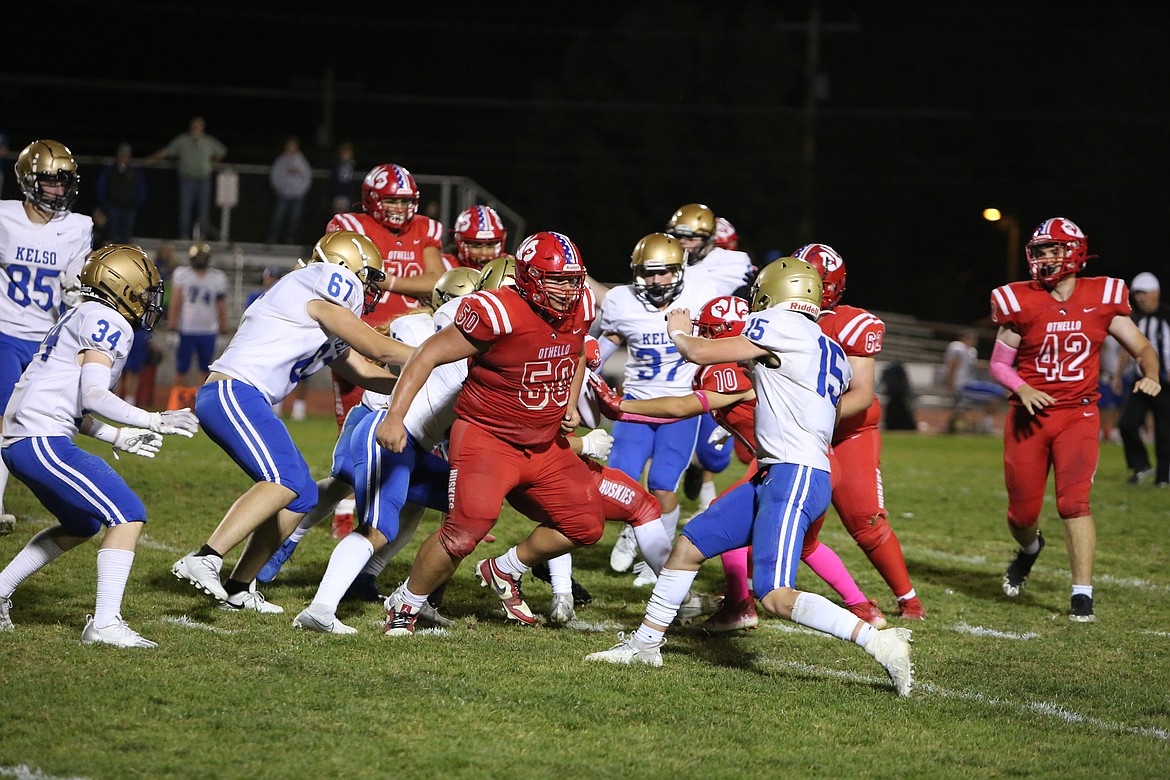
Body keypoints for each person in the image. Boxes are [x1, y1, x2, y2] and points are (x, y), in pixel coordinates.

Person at [585, 258, 914, 697]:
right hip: (784, 470)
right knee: (688, 547)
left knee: (775, 595)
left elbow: (698, 352)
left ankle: (881, 642)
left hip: (792, 473)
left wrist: (679, 329)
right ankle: (645, 645)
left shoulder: (781, 323)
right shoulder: (827, 346)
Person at [169, 231, 415, 612]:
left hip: (248, 398)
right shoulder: (325, 283)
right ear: (345, 268)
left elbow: (364, 371)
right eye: (367, 277)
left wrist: (416, 381)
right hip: (234, 391)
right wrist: (434, 357)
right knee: (284, 480)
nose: (368, 288)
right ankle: (205, 556)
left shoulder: (320, 310)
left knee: (304, 493)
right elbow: (377, 347)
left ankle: (238, 587)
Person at [376, 231, 601, 636]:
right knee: (464, 532)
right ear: (530, 277)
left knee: (585, 523)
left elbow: (578, 349)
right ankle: (405, 604)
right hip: (488, 438)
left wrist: (568, 399)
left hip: (543, 443)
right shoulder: (498, 310)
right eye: (558, 280)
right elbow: (427, 353)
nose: (569, 290)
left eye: (574, 279)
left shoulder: (581, 305)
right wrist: (395, 417)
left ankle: (505, 569)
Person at [0, 244, 198, 646]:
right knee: (128, 514)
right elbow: (92, 395)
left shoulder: (82, 313)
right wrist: (153, 419)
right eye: (144, 292)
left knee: (83, 523)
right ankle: (105, 623)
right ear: (121, 288)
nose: (148, 301)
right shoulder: (109, 320)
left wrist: (117, 435)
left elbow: (67, 403)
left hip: (26, 437)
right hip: (40, 439)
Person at [990, 217, 1160, 622]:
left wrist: (1151, 374)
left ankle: (1081, 594)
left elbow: (1141, 346)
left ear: (1076, 252)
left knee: (1074, 503)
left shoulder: (1103, 296)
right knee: (1021, 515)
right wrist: (1023, 388)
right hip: (1028, 417)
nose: (1045, 258)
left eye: (1054, 249)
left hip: (1078, 413)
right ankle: (1030, 549)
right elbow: (998, 363)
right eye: (1039, 251)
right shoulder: (1021, 299)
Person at [794, 242, 926, 619]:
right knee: (765, 511)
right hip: (798, 436)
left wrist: (811, 417)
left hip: (846, 433)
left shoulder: (851, 323)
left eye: (807, 281)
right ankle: (742, 593)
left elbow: (862, 394)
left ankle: (909, 598)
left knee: (865, 523)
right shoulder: (776, 319)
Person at [597, 233, 717, 581]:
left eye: (663, 272)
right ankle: (633, 528)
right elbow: (607, 343)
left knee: (663, 484)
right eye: (648, 273)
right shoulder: (623, 301)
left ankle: (658, 557)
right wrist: (588, 365)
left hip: (679, 407)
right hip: (635, 404)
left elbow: (719, 342)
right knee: (618, 482)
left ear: (679, 270)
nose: (655, 280)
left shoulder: (701, 296)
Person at [0, 139, 93, 536]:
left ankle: (63, 501)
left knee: (51, 423)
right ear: (27, 180)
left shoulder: (78, 226)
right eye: (50, 181)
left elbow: (73, 285)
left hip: (46, 340)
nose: (58, 190)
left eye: (64, 181)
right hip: (5, 332)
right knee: (5, 419)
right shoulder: (4, 217)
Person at [665, 205, 754, 513]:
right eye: (678, 236)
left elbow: (752, 298)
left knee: (715, 454)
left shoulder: (732, 262)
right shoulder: (668, 261)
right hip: (674, 354)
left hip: (716, 353)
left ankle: (698, 469)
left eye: (689, 237)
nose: (682, 242)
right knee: (671, 429)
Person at [1116, 271, 1170, 487]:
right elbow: (1125, 350)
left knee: (1164, 431)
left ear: (1155, 293)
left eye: (1143, 293)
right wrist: (1118, 375)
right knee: (1127, 424)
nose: (1139, 298)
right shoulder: (1135, 319)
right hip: (1142, 382)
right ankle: (1142, 465)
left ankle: (1164, 477)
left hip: (1166, 384)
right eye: (1136, 293)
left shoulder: (1167, 317)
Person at [145, 116, 227, 240]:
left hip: (203, 181)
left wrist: (213, 163)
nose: (196, 128)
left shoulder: (208, 141)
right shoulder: (182, 141)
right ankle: (184, 237)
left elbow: (222, 151)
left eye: (199, 126)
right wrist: (149, 160)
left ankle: (202, 238)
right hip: (186, 181)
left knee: (203, 212)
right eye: (194, 125)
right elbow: (166, 151)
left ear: (203, 127)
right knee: (185, 210)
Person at [167, 242, 228, 400]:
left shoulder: (217, 277)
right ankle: (177, 402)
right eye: (198, 256)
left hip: (209, 330)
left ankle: (201, 403)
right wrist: (172, 328)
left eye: (203, 256)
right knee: (181, 369)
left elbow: (221, 305)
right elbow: (176, 302)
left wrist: (222, 329)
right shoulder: (182, 274)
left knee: (205, 370)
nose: (200, 259)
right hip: (186, 329)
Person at [943, 329, 1007, 434]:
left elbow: (973, 364)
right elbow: (954, 365)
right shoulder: (958, 347)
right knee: (998, 394)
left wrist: (992, 365)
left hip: (969, 383)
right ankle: (985, 426)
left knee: (996, 397)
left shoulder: (970, 351)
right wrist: (950, 383)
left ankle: (983, 425)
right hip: (963, 385)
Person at [94, 143, 148, 245]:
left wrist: (136, 203)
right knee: (111, 233)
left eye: (126, 154)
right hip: (112, 207)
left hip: (129, 208)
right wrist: (104, 204)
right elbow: (101, 187)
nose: (123, 157)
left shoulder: (135, 172)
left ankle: (124, 254)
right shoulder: (109, 171)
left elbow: (142, 189)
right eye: (122, 154)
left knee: (126, 234)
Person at [266, 137, 313, 245]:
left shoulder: (301, 161)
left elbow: (307, 177)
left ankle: (290, 240)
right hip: (283, 195)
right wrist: (279, 189)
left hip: (297, 196)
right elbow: (275, 176)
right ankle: (272, 238)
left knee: (294, 219)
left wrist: (302, 191)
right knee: (278, 217)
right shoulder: (281, 160)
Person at [446, 204, 508, 270]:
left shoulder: (510, 266)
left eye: (490, 245)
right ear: (459, 242)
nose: (484, 253)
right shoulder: (444, 265)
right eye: (476, 245)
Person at [330, 142, 358, 215]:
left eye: (348, 153)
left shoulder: (354, 165)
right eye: (344, 153)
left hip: (348, 195)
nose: (345, 155)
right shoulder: (336, 165)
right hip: (338, 194)